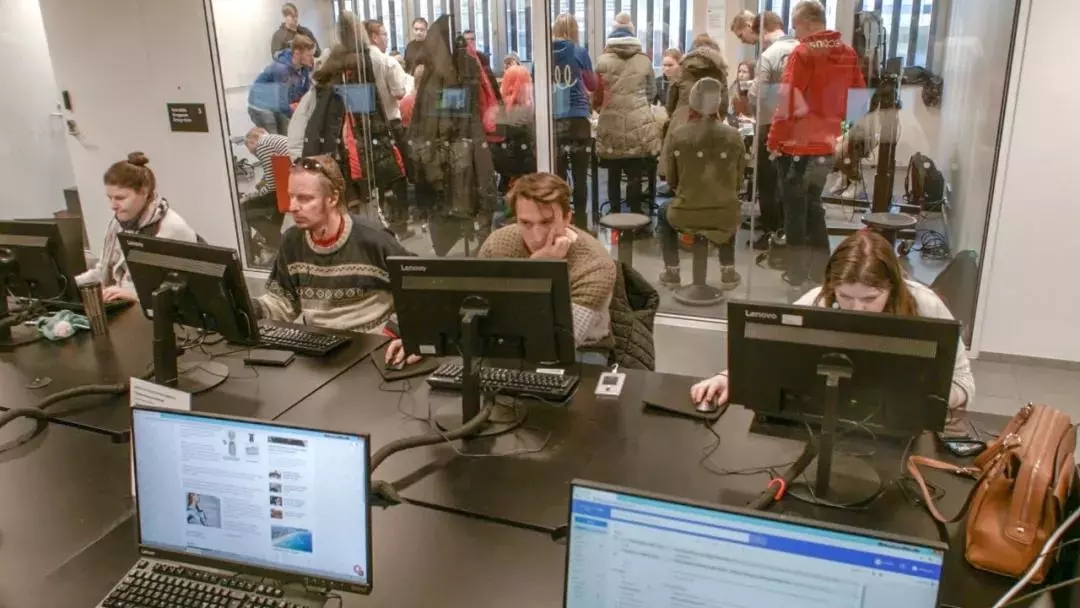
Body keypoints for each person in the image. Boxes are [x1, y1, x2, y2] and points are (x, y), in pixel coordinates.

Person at [690, 229, 975, 416]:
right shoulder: (819, 300)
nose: (857, 308)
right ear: (832, 286)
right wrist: (728, 377)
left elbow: (963, 382)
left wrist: (923, 403)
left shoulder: (925, 305)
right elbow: (770, 350)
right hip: (830, 419)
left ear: (892, 287)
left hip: (901, 429)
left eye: (870, 298)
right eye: (846, 296)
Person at [253, 155, 412, 331]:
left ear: (332, 198)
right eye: (291, 196)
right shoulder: (292, 242)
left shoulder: (374, 240)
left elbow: (419, 290)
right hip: (319, 342)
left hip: (372, 342)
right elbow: (283, 301)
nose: (292, 207)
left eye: (304, 198)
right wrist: (252, 309)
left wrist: (395, 332)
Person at [768, 0, 865, 288]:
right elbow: (859, 97)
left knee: (795, 210)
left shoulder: (803, 53)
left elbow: (788, 99)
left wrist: (774, 139)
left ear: (807, 23)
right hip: (826, 144)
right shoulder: (847, 52)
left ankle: (797, 272)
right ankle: (823, 268)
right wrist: (842, 127)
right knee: (813, 204)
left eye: (796, 26)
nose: (795, 33)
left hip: (797, 146)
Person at [479, 172, 616, 349]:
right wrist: (533, 266)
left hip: (585, 347)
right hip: (502, 342)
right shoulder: (497, 244)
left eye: (546, 223)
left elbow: (557, 343)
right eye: (526, 223)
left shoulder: (594, 266)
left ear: (567, 218)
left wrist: (538, 270)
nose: (537, 237)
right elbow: (478, 311)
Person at [658, 78, 746, 290]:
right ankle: (728, 271)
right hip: (724, 213)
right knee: (729, 204)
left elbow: (671, 180)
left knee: (662, 211)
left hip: (686, 212)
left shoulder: (678, 135)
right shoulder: (734, 136)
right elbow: (738, 181)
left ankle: (672, 272)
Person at [77, 152, 198, 303]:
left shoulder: (172, 229)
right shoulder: (119, 222)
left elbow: (184, 295)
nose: (112, 206)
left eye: (120, 198)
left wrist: (134, 296)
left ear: (144, 192)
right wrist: (72, 284)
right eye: (109, 198)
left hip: (155, 311)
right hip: (123, 302)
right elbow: (102, 271)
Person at [595, 13, 661, 217]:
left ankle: (614, 212)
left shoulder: (602, 61)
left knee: (613, 172)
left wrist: (601, 109)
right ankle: (635, 214)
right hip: (638, 123)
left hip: (610, 121)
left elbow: (597, 95)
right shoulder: (644, 61)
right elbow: (651, 92)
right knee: (635, 173)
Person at [749, 10, 797, 250]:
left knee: (768, 181)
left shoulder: (769, 55)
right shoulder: (801, 49)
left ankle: (771, 233)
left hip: (771, 124)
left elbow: (758, 95)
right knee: (791, 180)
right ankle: (791, 232)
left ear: (762, 31)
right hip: (799, 127)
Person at [661, 34, 728, 187]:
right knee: (706, 172)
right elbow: (723, 104)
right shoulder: (719, 72)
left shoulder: (681, 69)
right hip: (710, 123)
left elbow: (670, 101)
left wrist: (676, 115)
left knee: (678, 172)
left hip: (681, 121)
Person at [551, 14, 597, 231]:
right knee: (580, 176)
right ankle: (581, 225)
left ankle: (560, 221)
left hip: (553, 120)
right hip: (578, 120)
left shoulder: (543, 53)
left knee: (557, 177)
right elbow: (592, 84)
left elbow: (535, 83)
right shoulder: (579, 51)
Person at [249, 34, 315, 135]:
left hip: (277, 104)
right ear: (297, 54)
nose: (312, 59)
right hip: (261, 106)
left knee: (286, 134)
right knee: (275, 139)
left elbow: (304, 94)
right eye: (309, 55)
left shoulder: (304, 67)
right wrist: (298, 117)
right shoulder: (281, 69)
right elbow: (282, 104)